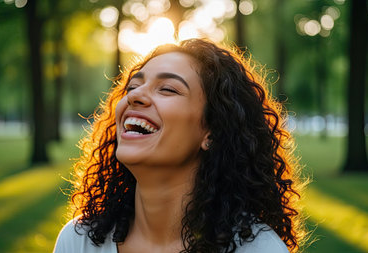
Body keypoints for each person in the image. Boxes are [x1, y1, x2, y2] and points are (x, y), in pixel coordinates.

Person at [54, 39, 306, 253]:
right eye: (132, 86)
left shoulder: (259, 249)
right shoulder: (78, 242)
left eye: (167, 89)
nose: (134, 95)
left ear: (213, 133)